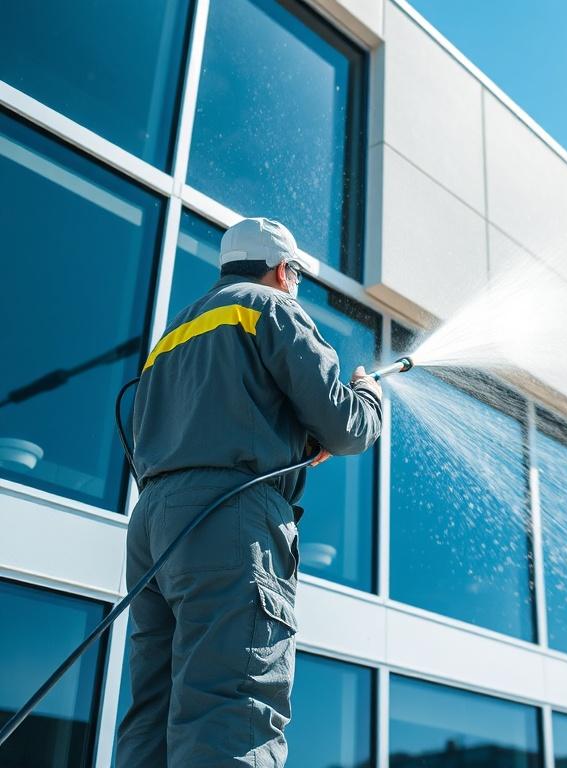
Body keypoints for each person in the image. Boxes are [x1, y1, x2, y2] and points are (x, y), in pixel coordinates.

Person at [115, 217, 383, 766]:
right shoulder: (273, 308)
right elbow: (345, 425)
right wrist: (369, 397)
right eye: (296, 277)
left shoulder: (172, 335)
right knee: (233, 706)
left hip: (155, 526)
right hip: (228, 518)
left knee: (154, 714)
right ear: (282, 271)